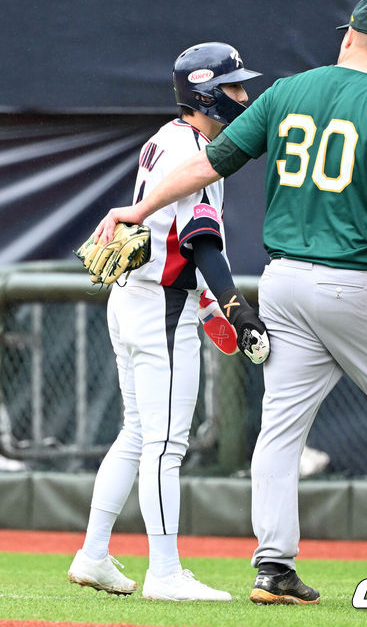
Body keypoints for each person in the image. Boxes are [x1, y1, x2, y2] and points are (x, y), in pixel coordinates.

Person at [93, 0, 367, 604]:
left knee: (281, 429)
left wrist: (137, 207)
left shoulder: (289, 91)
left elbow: (210, 164)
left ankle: (272, 564)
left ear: (348, 39)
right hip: (360, 282)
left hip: (285, 282)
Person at [68, 42, 269, 602]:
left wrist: (210, 305)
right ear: (203, 92)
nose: (243, 95)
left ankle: (93, 554)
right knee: (165, 445)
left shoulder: (167, 136)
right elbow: (201, 242)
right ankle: (164, 572)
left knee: (136, 433)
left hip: (133, 297)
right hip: (161, 304)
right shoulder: (197, 149)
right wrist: (231, 303)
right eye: (232, 87)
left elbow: (179, 235)